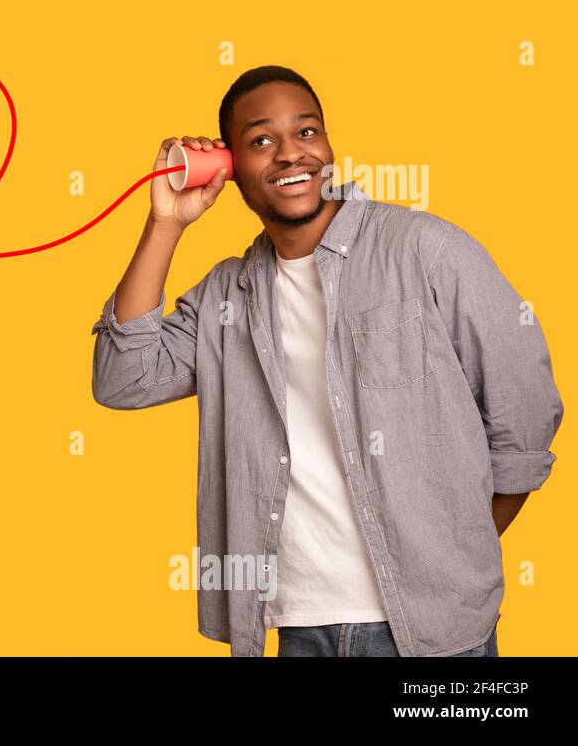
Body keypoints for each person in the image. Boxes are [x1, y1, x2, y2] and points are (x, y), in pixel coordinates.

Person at [90, 66, 562, 657]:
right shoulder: (226, 297)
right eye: (262, 140)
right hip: (297, 627)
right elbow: (122, 378)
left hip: (435, 629)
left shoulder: (427, 249)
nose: (292, 154)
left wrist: (454, 550)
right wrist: (166, 223)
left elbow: (525, 414)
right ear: (230, 166)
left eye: (307, 132)